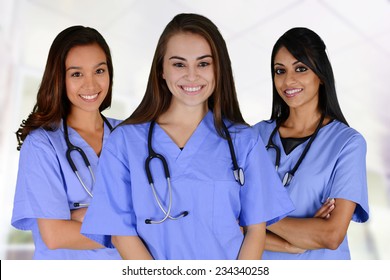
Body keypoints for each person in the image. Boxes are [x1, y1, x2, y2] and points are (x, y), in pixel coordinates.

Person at [81, 13, 294, 260]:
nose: (192, 76)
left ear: (218, 69)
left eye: (203, 63)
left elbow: (256, 231)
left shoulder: (244, 141)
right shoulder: (124, 142)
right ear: (161, 69)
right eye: (179, 64)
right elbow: (119, 232)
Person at [254, 27, 369, 259]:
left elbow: (331, 235)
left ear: (321, 75)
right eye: (280, 70)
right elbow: (228, 222)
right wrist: (291, 243)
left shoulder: (348, 143)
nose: (288, 80)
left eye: (300, 68)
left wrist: (259, 218)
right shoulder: (255, 136)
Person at [11, 26, 122, 259]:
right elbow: (55, 236)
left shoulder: (129, 135)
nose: (91, 85)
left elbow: (157, 213)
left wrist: (81, 218)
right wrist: (128, 228)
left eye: (99, 70)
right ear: (59, 78)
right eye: (76, 74)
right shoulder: (42, 145)